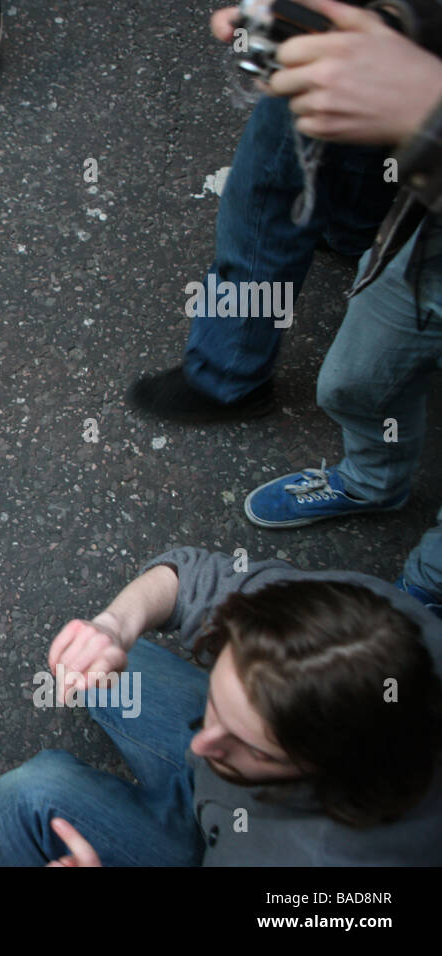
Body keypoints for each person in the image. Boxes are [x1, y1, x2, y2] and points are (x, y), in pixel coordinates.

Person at [0, 547, 442, 866]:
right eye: (217, 703)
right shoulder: (360, 621)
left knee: (28, 794)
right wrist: (112, 627)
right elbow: (188, 576)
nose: (199, 745)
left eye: (245, 743)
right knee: (112, 671)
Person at [234, 0, 442, 612]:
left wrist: (427, 109)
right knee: (353, 383)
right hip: (430, 246)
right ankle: (374, 484)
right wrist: (384, 29)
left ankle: (428, 595)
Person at [128, 0, 409, 423]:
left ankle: (228, 376)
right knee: (361, 122)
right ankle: (350, 231)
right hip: (398, 40)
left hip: (345, 31)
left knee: (267, 198)